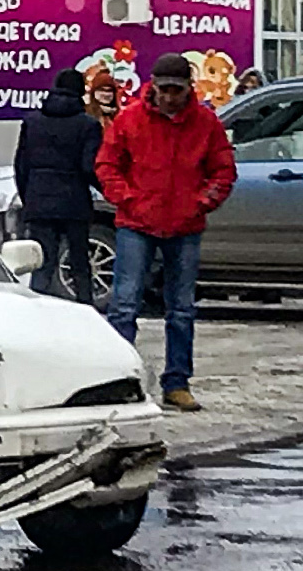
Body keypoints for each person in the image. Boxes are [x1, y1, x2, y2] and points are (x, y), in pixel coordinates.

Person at [96, 53, 236, 412]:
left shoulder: (205, 123)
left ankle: (177, 382)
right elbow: (107, 164)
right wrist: (128, 199)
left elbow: (223, 171)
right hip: (137, 223)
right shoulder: (130, 120)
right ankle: (118, 379)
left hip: (184, 225)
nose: (171, 97)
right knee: (124, 305)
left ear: (189, 87)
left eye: (177, 90)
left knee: (181, 309)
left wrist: (201, 202)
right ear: (154, 86)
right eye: (165, 90)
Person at [14, 68, 103, 303]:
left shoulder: (32, 122)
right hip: (74, 202)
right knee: (79, 264)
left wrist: (29, 198)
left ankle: (37, 313)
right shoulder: (88, 125)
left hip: (40, 200)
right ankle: (85, 312)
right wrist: (108, 192)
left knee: (42, 264)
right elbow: (89, 167)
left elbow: (21, 166)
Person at [86, 68, 122, 132]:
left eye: (109, 90)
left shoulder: (122, 116)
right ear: (93, 92)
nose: (106, 94)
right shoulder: (86, 114)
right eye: (101, 90)